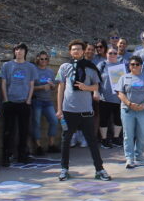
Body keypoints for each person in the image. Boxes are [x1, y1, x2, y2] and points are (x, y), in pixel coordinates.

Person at [55, 39, 110, 181]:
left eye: (79, 49)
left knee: (92, 141)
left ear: (84, 51)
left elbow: (96, 87)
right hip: (68, 110)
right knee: (66, 140)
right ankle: (64, 169)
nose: (76, 51)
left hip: (85, 110)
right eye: (73, 49)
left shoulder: (90, 67)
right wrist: (59, 109)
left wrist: (87, 88)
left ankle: (100, 169)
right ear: (70, 52)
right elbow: (61, 88)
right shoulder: (64, 67)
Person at [0, 43, 36, 166]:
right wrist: (5, 99)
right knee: (8, 131)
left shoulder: (30, 67)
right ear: (14, 51)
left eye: (21, 50)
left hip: (24, 102)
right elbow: (3, 83)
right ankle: (6, 156)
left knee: (24, 130)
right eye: (17, 49)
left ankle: (22, 155)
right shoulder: (7, 65)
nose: (19, 52)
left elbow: (31, 84)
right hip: (10, 102)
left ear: (25, 52)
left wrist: (29, 99)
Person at [118, 54, 144, 168]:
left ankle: (139, 155)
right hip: (128, 110)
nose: (134, 66)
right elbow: (120, 93)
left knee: (142, 133)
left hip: (143, 110)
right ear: (129, 66)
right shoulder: (123, 78)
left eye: (137, 64)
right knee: (128, 134)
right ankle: (129, 157)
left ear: (141, 66)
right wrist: (129, 104)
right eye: (132, 64)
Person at [30, 51, 59, 154]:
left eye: (45, 59)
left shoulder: (50, 71)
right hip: (37, 100)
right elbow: (29, 87)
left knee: (54, 121)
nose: (43, 61)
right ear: (37, 59)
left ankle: (51, 144)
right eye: (41, 59)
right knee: (36, 123)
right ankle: (38, 146)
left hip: (48, 101)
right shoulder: (34, 71)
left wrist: (52, 86)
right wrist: (42, 87)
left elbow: (54, 86)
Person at [97, 46, 124, 147]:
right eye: (110, 53)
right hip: (105, 97)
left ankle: (116, 138)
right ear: (106, 54)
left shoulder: (122, 65)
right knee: (104, 119)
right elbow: (96, 79)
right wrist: (97, 92)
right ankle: (104, 140)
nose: (112, 55)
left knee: (118, 119)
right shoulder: (102, 65)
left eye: (114, 53)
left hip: (118, 97)